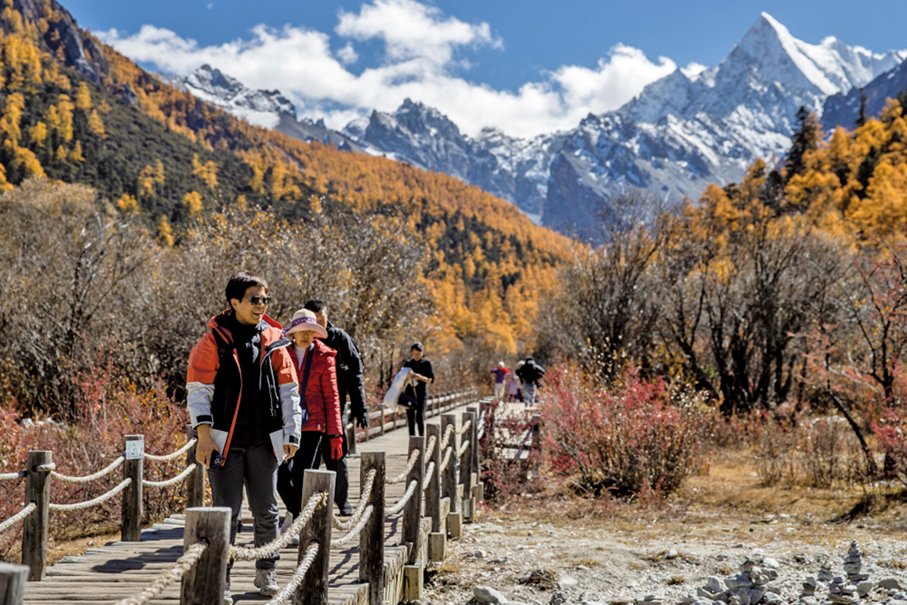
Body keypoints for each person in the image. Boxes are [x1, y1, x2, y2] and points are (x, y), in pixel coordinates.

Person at [187, 272, 301, 602]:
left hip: (265, 441)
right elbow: (198, 391)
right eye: (255, 300)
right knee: (226, 513)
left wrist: (292, 433)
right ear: (235, 302)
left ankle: (267, 570)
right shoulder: (213, 341)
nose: (261, 305)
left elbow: (289, 391)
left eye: (265, 299)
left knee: (267, 511)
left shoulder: (276, 338)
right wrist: (204, 437)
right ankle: (220, 578)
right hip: (224, 442)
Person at [277, 309, 344, 534]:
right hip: (284, 421)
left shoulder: (325, 357)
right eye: (301, 331)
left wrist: (335, 434)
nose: (306, 335)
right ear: (292, 333)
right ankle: (295, 513)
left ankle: (296, 523)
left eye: (311, 331)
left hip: (313, 424)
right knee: (279, 473)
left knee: (303, 474)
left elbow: (332, 397)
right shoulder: (280, 354)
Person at [303, 300, 367, 517]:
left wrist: (361, 408)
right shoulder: (301, 337)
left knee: (336, 451)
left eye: (322, 318)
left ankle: (342, 500)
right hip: (308, 406)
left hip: (335, 403)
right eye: (315, 320)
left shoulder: (340, 339)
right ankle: (305, 503)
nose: (320, 323)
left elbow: (356, 375)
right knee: (307, 454)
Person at [402, 342, 434, 436]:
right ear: (411, 353)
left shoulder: (427, 363)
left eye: (418, 354)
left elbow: (431, 380)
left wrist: (420, 377)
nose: (416, 356)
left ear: (422, 353)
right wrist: (407, 376)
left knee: (419, 417)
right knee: (411, 420)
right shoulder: (408, 363)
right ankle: (412, 442)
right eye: (414, 354)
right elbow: (401, 379)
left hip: (422, 393)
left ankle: (421, 439)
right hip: (409, 394)